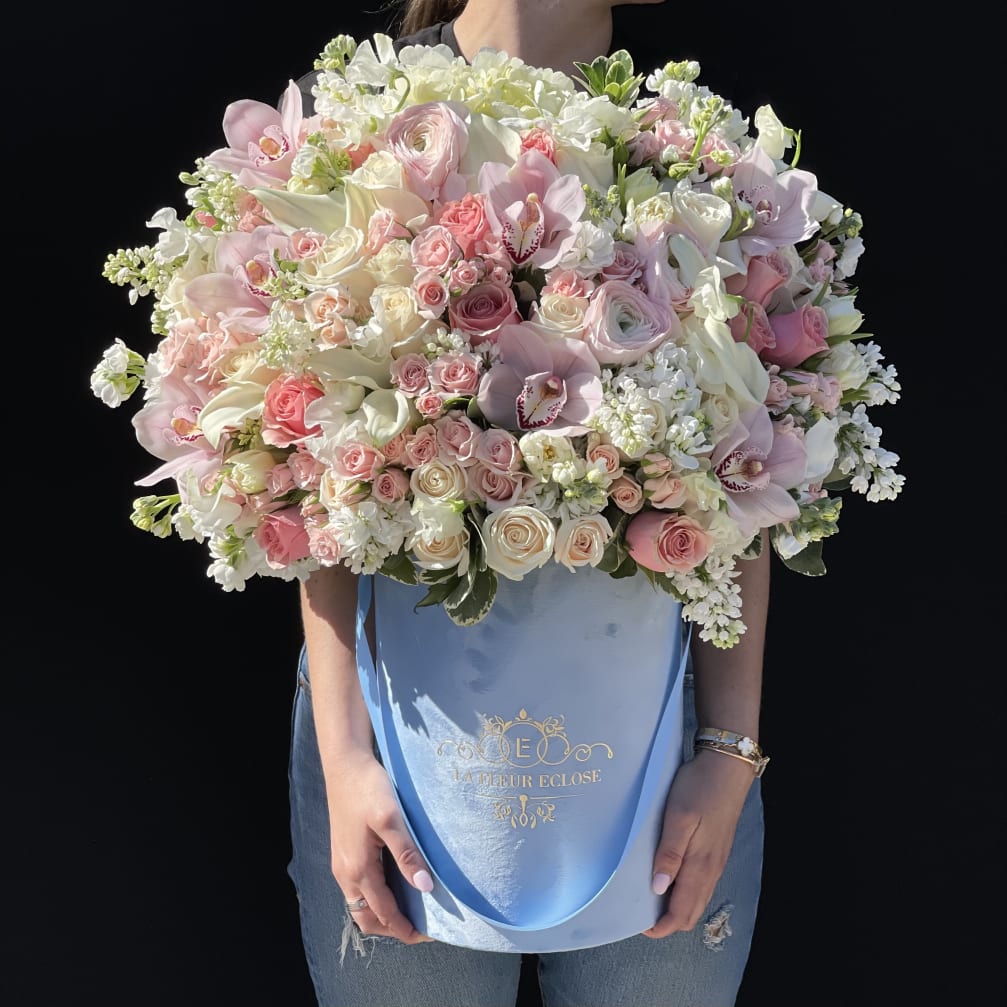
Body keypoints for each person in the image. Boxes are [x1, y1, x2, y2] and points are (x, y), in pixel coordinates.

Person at [287, 2, 770, 1004]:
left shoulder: (690, 141)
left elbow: (745, 476)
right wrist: (341, 756)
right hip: (399, 735)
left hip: (655, 735)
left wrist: (727, 749)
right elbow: (313, 486)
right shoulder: (360, 122)